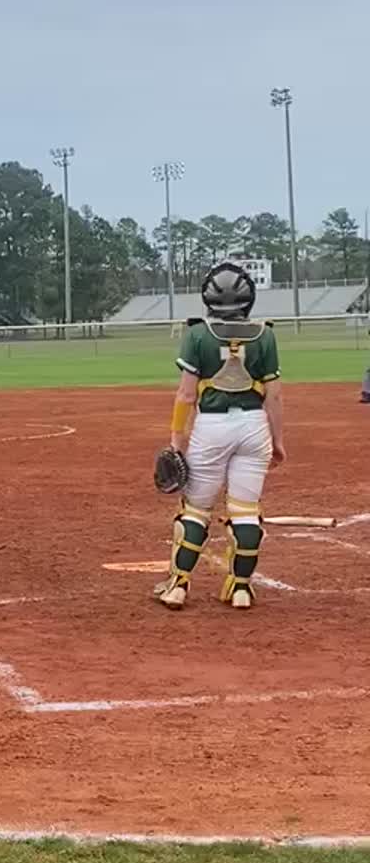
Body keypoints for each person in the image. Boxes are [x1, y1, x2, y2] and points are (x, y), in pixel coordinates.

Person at [156, 261, 286, 611]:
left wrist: (176, 441)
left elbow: (185, 395)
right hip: (254, 426)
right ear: (249, 298)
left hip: (212, 428)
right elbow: (274, 395)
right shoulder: (266, 334)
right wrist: (277, 441)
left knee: (196, 510)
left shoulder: (197, 335)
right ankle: (241, 589)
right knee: (245, 510)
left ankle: (178, 586)